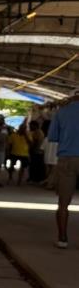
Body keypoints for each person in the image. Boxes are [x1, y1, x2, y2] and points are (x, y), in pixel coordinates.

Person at [48, 92, 79, 249]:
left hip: (67, 159)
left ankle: (63, 238)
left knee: (63, 204)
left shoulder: (62, 112)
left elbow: (53, 136)